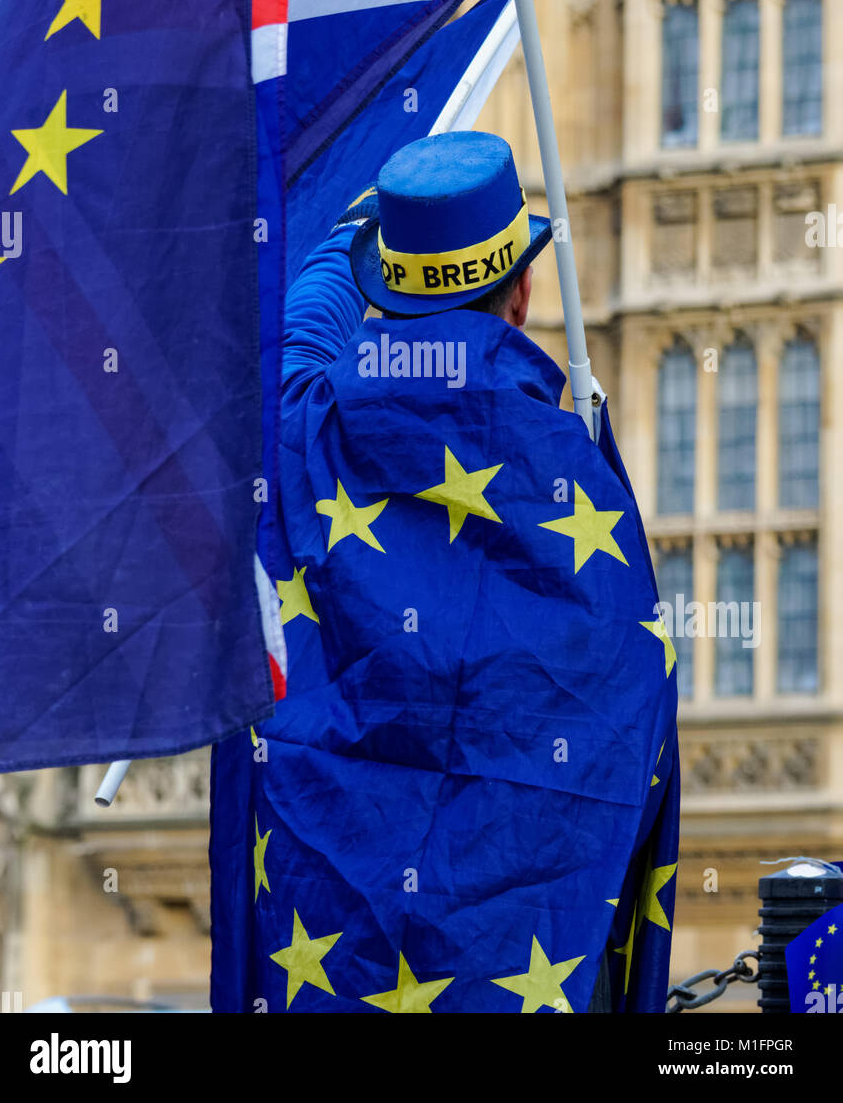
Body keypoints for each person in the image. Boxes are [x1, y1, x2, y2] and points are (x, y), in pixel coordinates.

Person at [211, 130, 679, 1014]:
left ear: (386, 288)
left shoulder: (303, 428)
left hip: (328, 953)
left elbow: (300, 328)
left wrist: (367, 220)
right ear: (526, 294)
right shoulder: (575, 480)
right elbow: (634, 709)